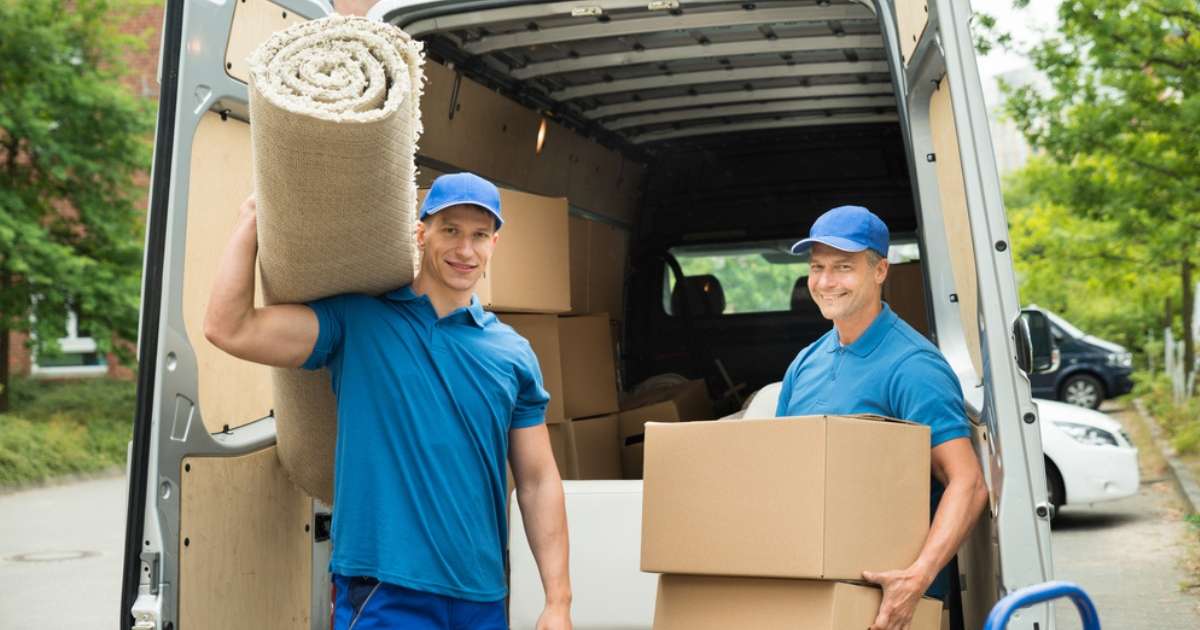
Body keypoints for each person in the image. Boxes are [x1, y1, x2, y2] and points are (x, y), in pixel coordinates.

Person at [204, 172, 572, 630]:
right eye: (450, 230)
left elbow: (537, 481)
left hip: (481, 597)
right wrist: (252, 219)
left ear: (494, 244)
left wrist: (558, 601)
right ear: (421, 233)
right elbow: (229, 327)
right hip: (383, 591)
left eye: (479, 235)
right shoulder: (360, 323)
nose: (465, 249)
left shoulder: (513, 354)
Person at [775, 205, 988, 630]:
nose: (826, 282)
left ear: (880, 271)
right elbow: (783, 473)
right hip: (813, 591)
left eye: (843, 267)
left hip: (888, 605)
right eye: (817, 267)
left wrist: (917, 577)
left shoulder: (914, 365)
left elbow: (968, 483)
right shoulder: (806, 362)